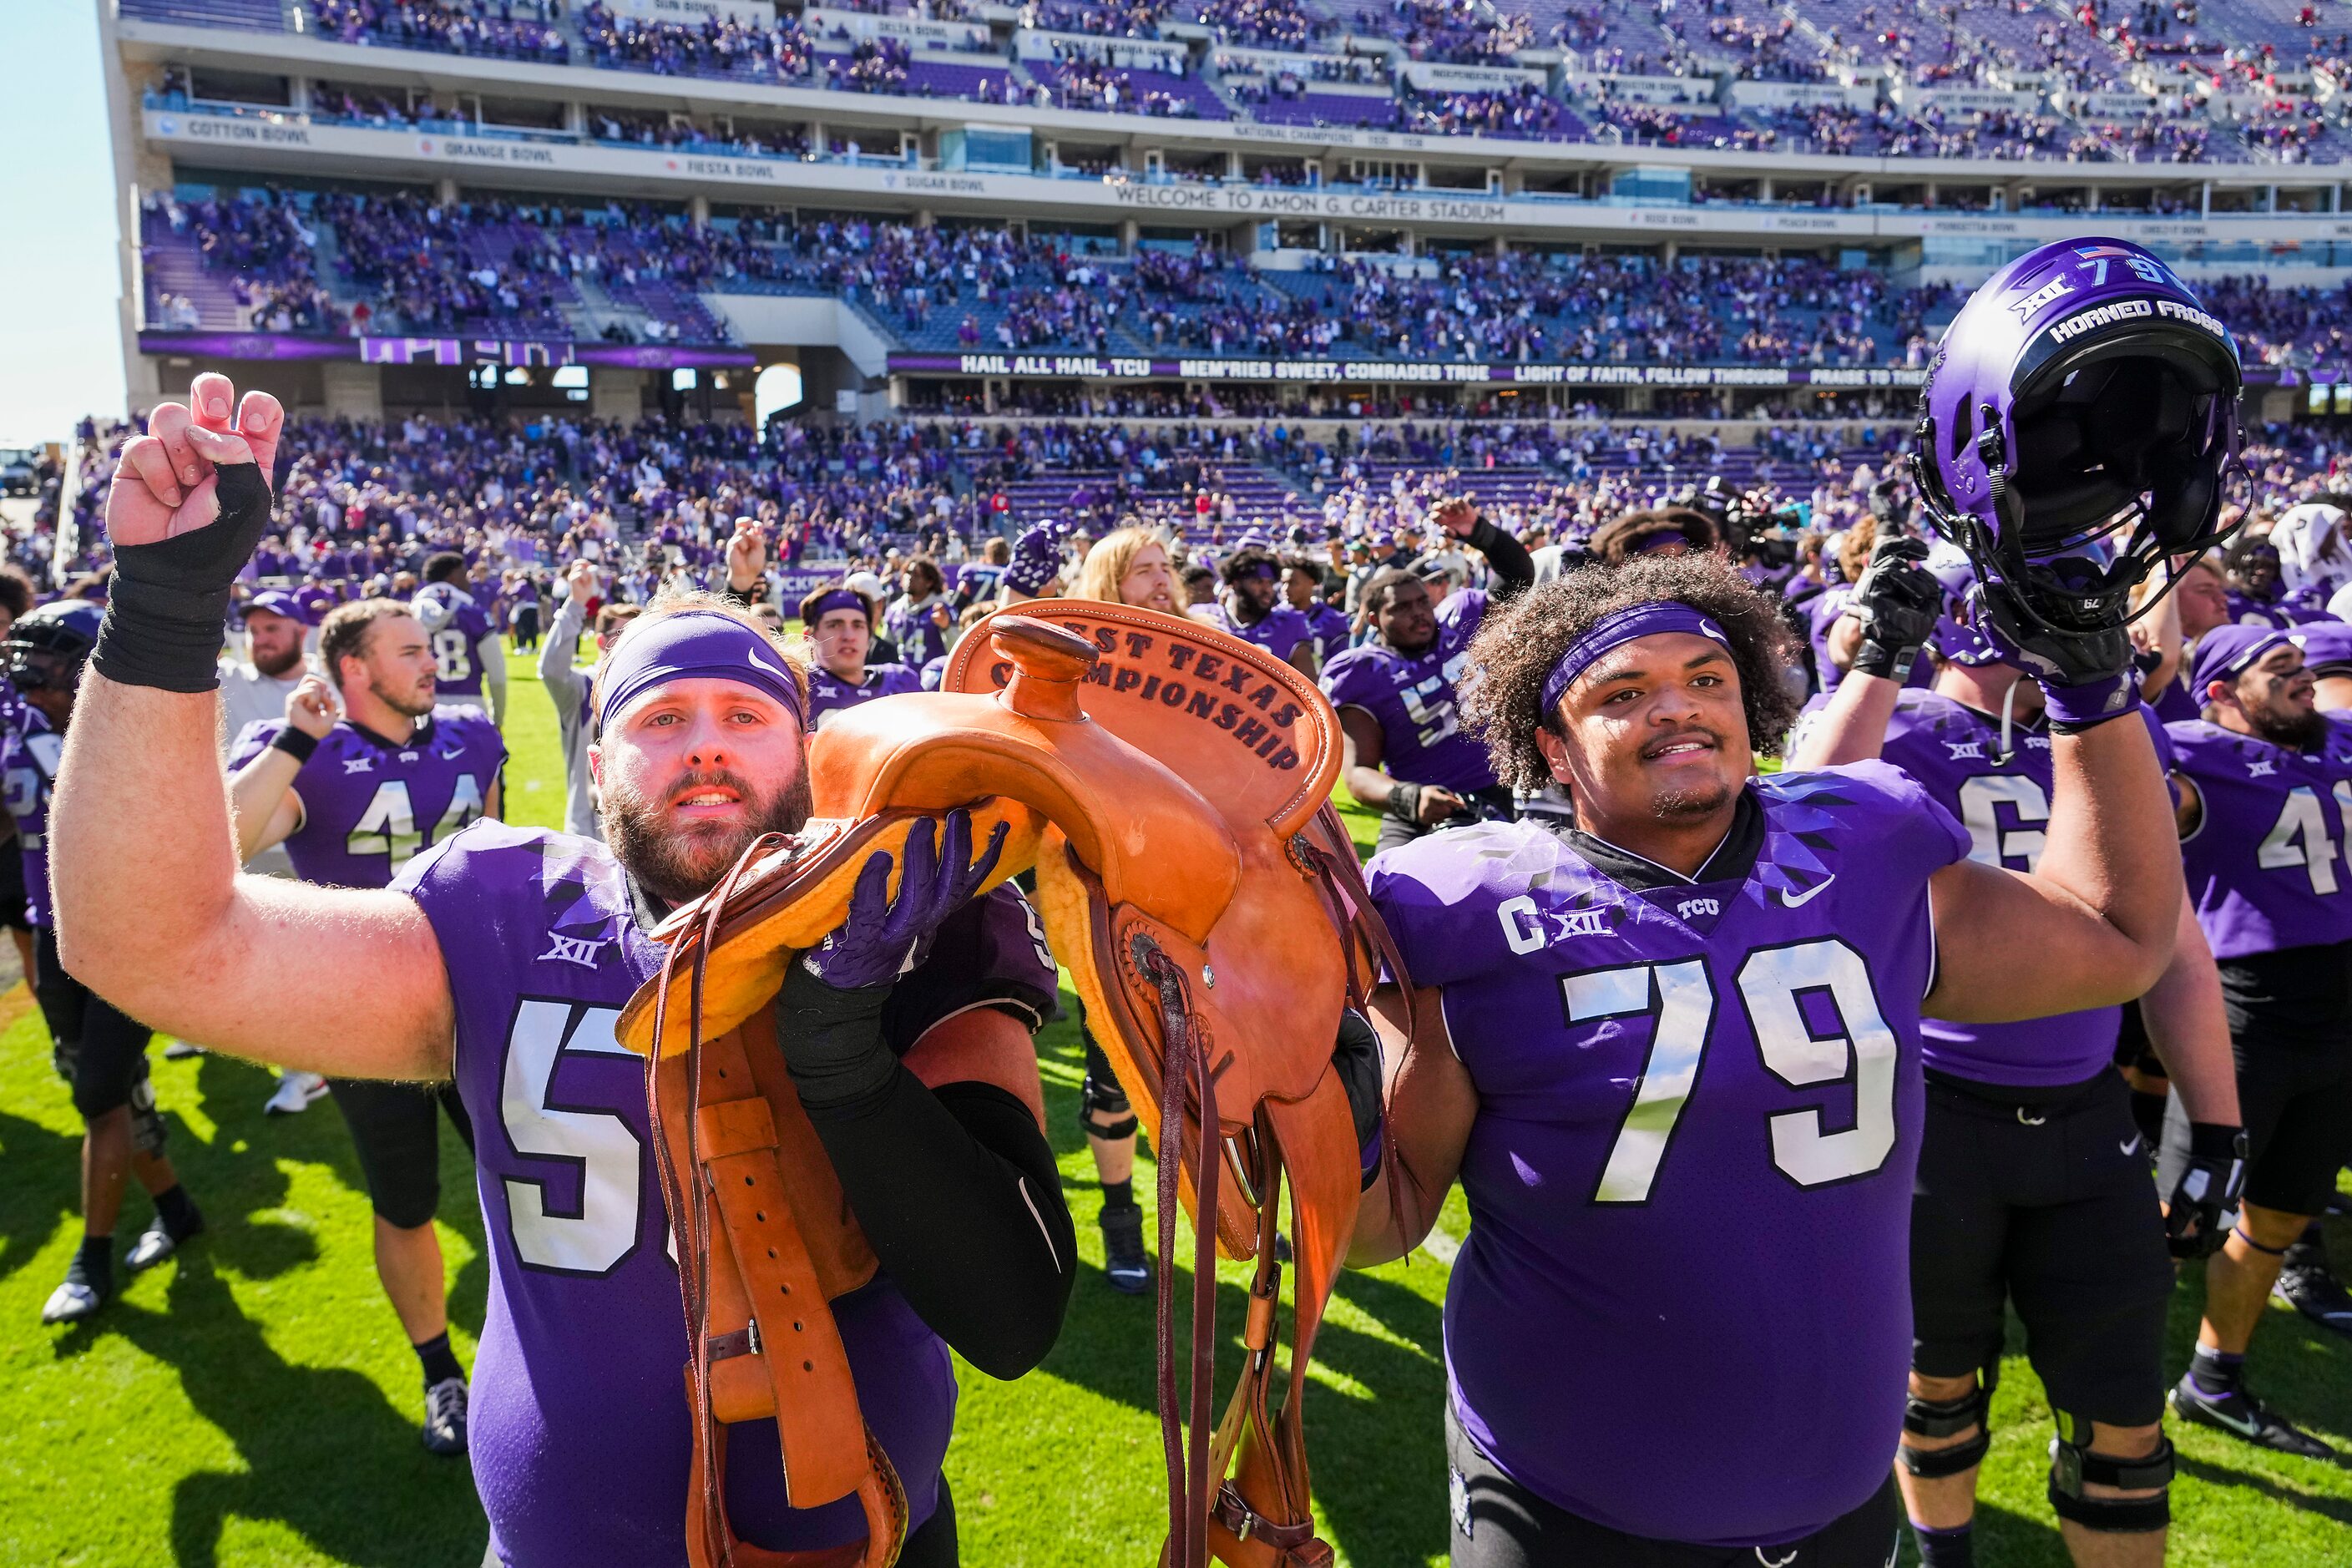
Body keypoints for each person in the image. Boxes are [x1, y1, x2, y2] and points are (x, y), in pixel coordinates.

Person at [58, 373, 1075, 1565]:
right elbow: (149, 941)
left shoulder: (915, 917)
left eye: (745, 715)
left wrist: (847, 1045)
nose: (704, 739)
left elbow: (1012, 1312)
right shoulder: (497, 905)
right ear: (598, 769)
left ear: (808, 740)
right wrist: (166, 610)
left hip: (873, 1535)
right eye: (663, 716)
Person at [1350, 236, 2228, 1565]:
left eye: (1703, 676)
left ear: (1754, 701)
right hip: (1567, 1506)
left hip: (1832, 1505)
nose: (1677, 706)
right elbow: (1379, 1217)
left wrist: (2091, 679)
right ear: (1546, 741)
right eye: (1622, 691)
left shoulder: (1860, 833)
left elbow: (2113, 940)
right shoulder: (1462, 899)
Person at [1793, 543, 2243, 1568]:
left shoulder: (2101, 732)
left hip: (2084, 1118)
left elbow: (2173, 944)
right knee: (1934, 1389)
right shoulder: (1897, 726)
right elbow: (1793, 832)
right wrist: (1882, 662)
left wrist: (2214, 1122)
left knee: (2126, 1433)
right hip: (1931, 1113)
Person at [226, 598, 508, 1455]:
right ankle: (440, 1373)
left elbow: (497, 854)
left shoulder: (472, 737)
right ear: (356, 668)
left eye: (430, 650)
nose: (433, 665)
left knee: (527, 1176)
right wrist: (295, 741)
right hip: (366, 1017)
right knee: (405, 1199)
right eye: (412, 652)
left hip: (483, 1001)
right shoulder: (310, 755)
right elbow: (222, 840)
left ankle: (546, 1338)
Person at [2161, 624, 2352, 1460]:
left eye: (2303, 666)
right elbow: (2118, 766)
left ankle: (2213, 1377)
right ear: (2219, 693)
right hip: (2248, 1015)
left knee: (2279, 1215)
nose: (2302, 679)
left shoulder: (2334, 740)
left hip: (2340, 1012)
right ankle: (2110, 1397)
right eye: (2279, 671)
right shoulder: (2195, 756)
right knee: (2176, 1221)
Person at [11, 602, 205, 1323]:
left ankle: (90, 1260)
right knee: (118, 1097)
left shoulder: (149, 734)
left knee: (99, 1097)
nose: (34, 671)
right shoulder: (19, 728)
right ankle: (177, 1209)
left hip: (128, 946)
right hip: (54, 940)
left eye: (53, 656)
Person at [1322, 499, 1535, 851]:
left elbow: (1517, 575)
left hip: (1501, 789)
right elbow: (1358, 773)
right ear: (1374, 618)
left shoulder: (1462, 620)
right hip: (1422, 804)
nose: (1419, 614)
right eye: (1402, 608)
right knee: (1385, 896)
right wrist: (1408, 797)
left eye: (1422, 602)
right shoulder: (1362, 671)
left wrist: (1478, 532)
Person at [217, 586, 327, 1111]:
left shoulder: (328, 686)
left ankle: (305, 1070)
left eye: (272, 629)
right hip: (247, 837)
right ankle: (299, 1066)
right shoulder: (229, 679)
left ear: (300, 631)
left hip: (312, 843)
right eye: (255, 630)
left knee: (302, 966)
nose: (260, 640)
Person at [538, 559, 640, 841]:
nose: (630, 644)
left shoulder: (651, 692)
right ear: (599, 642)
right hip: (587, 836)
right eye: (620, 635)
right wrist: (575, 604)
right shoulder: (583, 688)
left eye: (637, 636)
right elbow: (551, 670)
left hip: (644, 842)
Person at [797, 581, 923, 729]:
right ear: (809, 636)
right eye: (835, 625)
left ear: (869, 637)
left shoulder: (902, 683)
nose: (849, 636)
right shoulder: (799, 686)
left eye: (858, 625)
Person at [1193, 544, 1317, 677]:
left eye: (1270, 583)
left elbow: (1307, 691)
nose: (1267, 590)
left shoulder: (1290, 623)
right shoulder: (1203, 617)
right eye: (1258, 582)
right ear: (1235, 583)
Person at [412, 551, 507, 726]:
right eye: (465, 575)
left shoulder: (408, 617)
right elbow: (498, 678)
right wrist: (497, 721)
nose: (469, 581)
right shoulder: (474, 614)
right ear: (453, 577)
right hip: (471, 709)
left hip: (426, 710)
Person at [1283, 555, 1351, 667]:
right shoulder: (1274, 620)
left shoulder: (1334, 621)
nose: (1285, 589)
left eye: (1293, 583)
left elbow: (1340, 668)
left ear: (1311, 583)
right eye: (1284, 583)